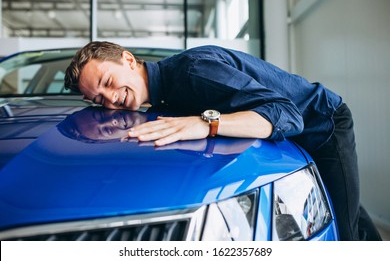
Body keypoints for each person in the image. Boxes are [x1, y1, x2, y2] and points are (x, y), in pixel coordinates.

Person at [64, 41, 381, 241]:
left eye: (107, 82)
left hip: (322, 124)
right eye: (98, 98)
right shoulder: (160, 101)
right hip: (292, 139)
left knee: (346, 237)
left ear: (129, 60)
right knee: (351, 212)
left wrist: (206, 124)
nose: (109, 99)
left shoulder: (193, 72)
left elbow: (286, 114)